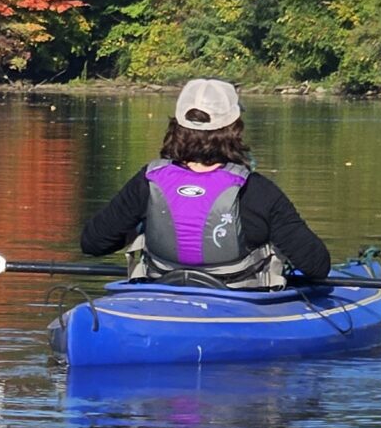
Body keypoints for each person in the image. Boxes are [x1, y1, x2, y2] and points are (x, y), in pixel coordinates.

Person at [79, 78, 332, 285]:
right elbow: (317, 266)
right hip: (238, 307)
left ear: (176, 125)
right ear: (235, 128)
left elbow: (92, 243)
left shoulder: (148, 181)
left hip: (163, 296)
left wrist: (141, 228)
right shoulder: (257, 191)